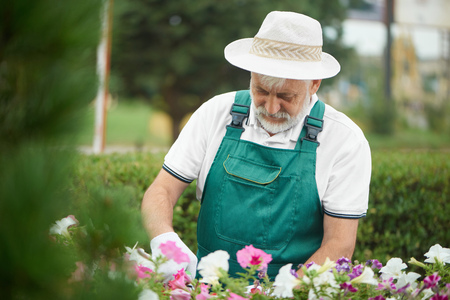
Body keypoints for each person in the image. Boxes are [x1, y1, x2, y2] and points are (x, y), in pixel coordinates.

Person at [141, 11, 371, 281]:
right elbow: (161, 191)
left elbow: (340, 244)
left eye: (286, 96)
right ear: (251, 74)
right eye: (261, 91)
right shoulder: (216, 113)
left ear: (314, 84)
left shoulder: (344, 141)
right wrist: (165, 242)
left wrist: (287, 293)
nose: (271, 107)